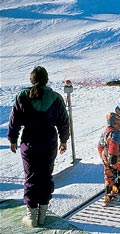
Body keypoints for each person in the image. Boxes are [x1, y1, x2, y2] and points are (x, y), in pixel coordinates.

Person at [7, 66, 70, 227]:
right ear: (46, 80)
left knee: (31, 176)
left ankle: (31, 215)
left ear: (31, 80)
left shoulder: (22, 96)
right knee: (45, 175)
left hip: (29, 142)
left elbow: (14, 121)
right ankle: (42, 213)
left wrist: (13, 139)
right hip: (49, 142)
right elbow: (63, 121)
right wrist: (64, 140)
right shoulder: (55, 97)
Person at [97, 112, 120, 206]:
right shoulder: (115, 133)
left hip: (105, 156)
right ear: (116, 123)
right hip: (115, 157)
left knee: (109, 173)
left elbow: (99, 146)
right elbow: (114, 143)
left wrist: (103, 158)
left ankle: (108, 190)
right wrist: (113, 156)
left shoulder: (104, 132)